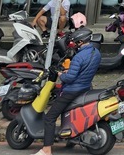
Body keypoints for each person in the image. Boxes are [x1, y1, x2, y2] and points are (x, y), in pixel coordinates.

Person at [36, 27, 100, 155]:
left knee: (50, 117)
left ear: (81, 42)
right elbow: (85, 70)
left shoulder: (78, 57)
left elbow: (70, 78)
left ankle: (46, 149)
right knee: (68, 113)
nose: (74, 45)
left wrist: (61, 74)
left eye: (75, 42)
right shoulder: (96, 53)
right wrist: (70, 71)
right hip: (86, 87)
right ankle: (70, 140)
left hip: (72, 90)